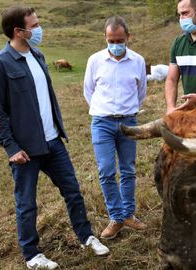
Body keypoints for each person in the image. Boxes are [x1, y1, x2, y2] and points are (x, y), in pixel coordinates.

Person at [0, 6, 109, 270]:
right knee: (27, 204)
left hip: (53, 142)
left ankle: (86, 237)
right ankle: (32, 255)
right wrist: (11, 148)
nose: (39, 29)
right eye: (35, 24)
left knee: (73, 192)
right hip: (25, 150)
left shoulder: (38, 56)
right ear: (19, 31)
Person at [83, 15, 147, 240]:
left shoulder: (138, 61)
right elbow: (88, 91)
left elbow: (141, 93)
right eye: (111, 40)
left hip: (128, 122)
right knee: (107, 170)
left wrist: (128, 111)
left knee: (128, 169)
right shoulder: (95, 61)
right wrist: (104, 110)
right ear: (105, 38)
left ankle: (129, 214)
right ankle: (116, 217)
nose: (116, 45)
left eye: (120, 40)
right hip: (102, 122)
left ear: (128, 37)